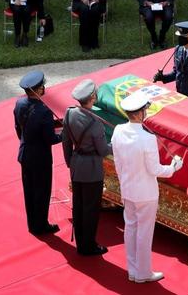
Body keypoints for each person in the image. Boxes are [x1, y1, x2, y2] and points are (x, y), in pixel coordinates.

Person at [111, 90, 183, 283]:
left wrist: (123, 182)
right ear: (138, 113)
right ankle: (143, 273)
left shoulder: (118, 130)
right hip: (146, 193)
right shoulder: (147, 138)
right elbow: (154, 169)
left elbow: (117, 162)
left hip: (128, 189)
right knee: (143, 232)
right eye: (144, 110)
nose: (146, 113)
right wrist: (173, 168)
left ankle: (133, 271)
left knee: (131, 229)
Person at [62, 79, 112, 256]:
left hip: (76, 166)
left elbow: (66, 142)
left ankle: (81, 242)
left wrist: (70, 162)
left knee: (79, 205)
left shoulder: (69, 114)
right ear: (92, 97)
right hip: (91, 169)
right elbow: (104, 150)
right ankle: (88, 246)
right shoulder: (95, 124)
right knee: (90, 209)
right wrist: (117, 143)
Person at [13, 70, 62, 236]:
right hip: (40, 158)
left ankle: (32, 224)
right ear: (38, 89)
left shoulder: (19, 104)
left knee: (29, 191)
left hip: (25, 152)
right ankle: (41, 225)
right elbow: (51, 139)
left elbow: (18, 128)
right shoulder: (44, 111)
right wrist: (65, 134)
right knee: (42, 192)